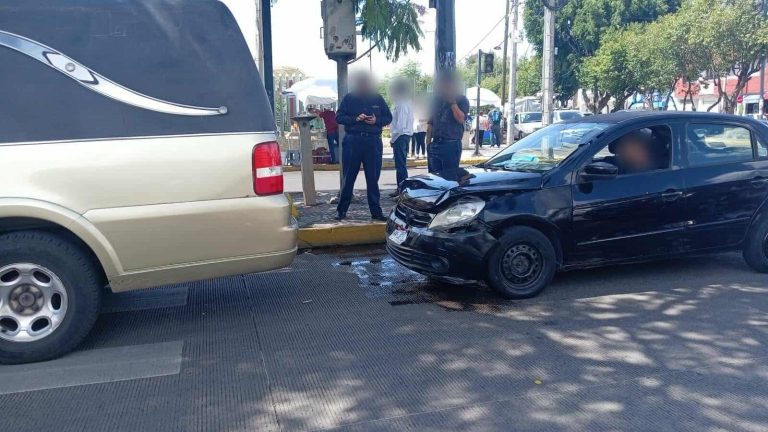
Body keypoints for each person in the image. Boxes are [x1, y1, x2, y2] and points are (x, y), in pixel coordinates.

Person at [334, 72, 392, 221]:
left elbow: (388, 117)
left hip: (372, 142)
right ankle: (341, 211)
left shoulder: (377, 98)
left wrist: (376, 120)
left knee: (373, 179)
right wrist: (355, 119)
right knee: (349, 177)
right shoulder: (349, 98)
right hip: (353, 141)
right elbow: (339, 117)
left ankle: (376, 212)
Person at [426, 72, 470, 175]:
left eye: (446, 83)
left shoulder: (461, 100)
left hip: (451, 144)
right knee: (433, 179)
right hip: (435, 144)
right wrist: (428, 143)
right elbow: (430, 122)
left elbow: (460, 119)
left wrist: (452, 102)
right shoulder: (436, 100)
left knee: (449, 178)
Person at [388, 78, 413, 197]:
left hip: (401, 136)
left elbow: (401, 125)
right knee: (400, 165)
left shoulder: (402, 103)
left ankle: (402, 190)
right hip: (402, 136)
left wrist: (393, 139)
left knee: (401, 165)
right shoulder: (403, 102)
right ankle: (400, 188)